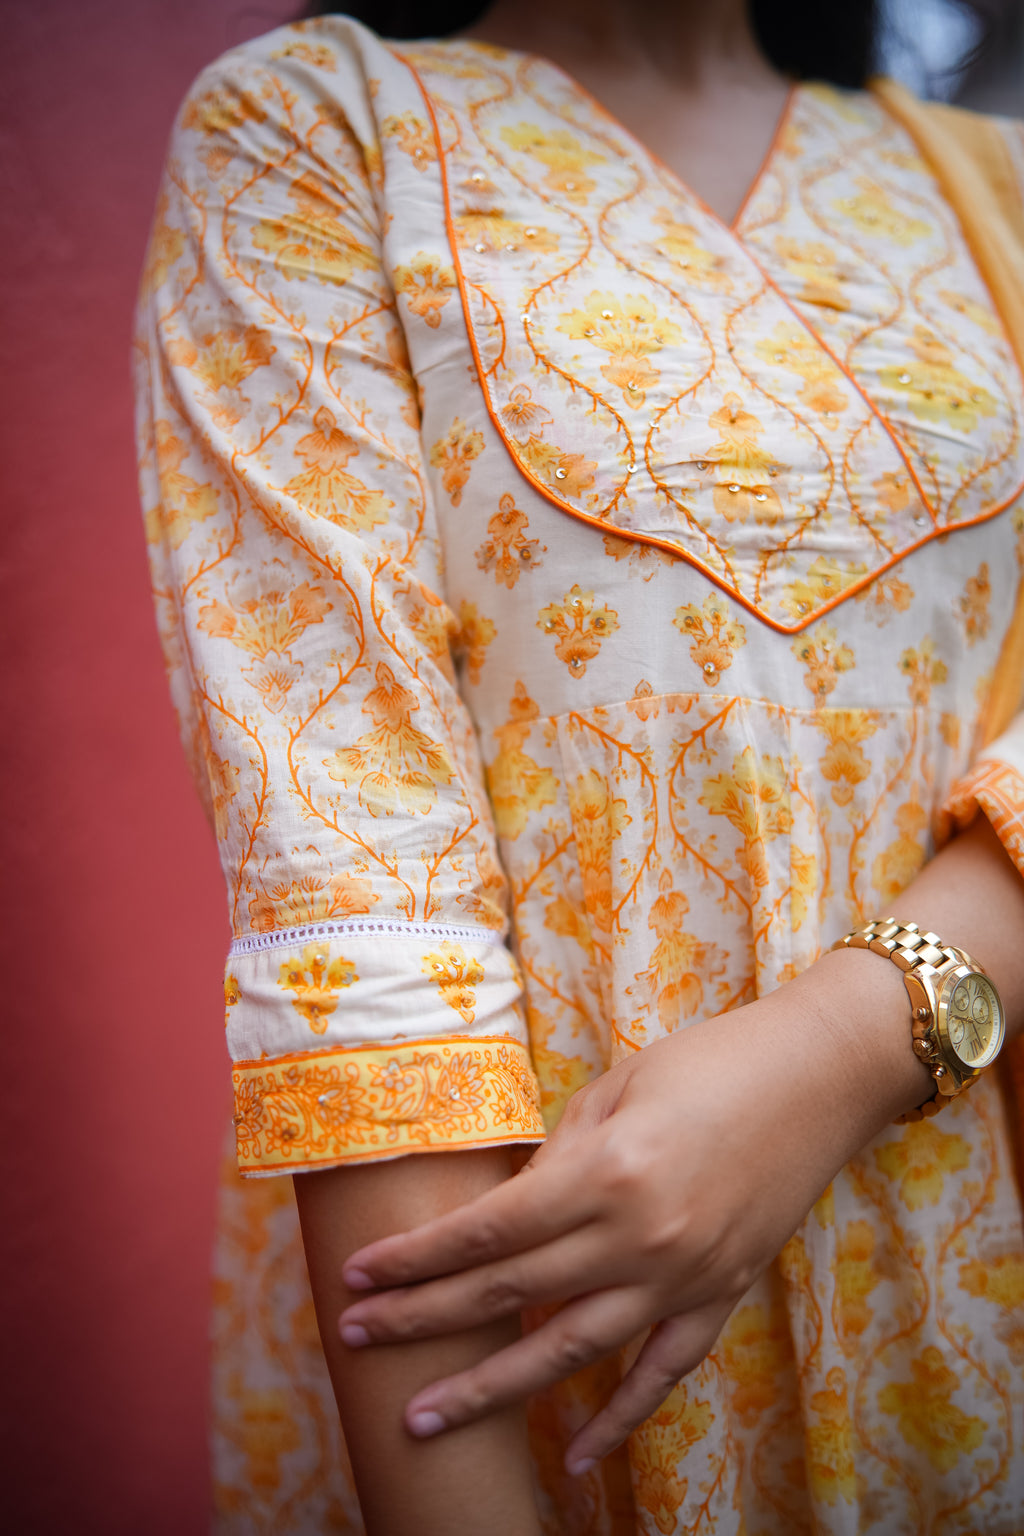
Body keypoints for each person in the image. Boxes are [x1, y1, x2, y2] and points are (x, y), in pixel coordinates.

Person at [134, 0, 1024, 1529]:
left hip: (956, 1243)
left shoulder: (991, 185)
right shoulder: (318, 123)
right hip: (527, 1327)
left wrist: (845, 1049)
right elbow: (356, 910)